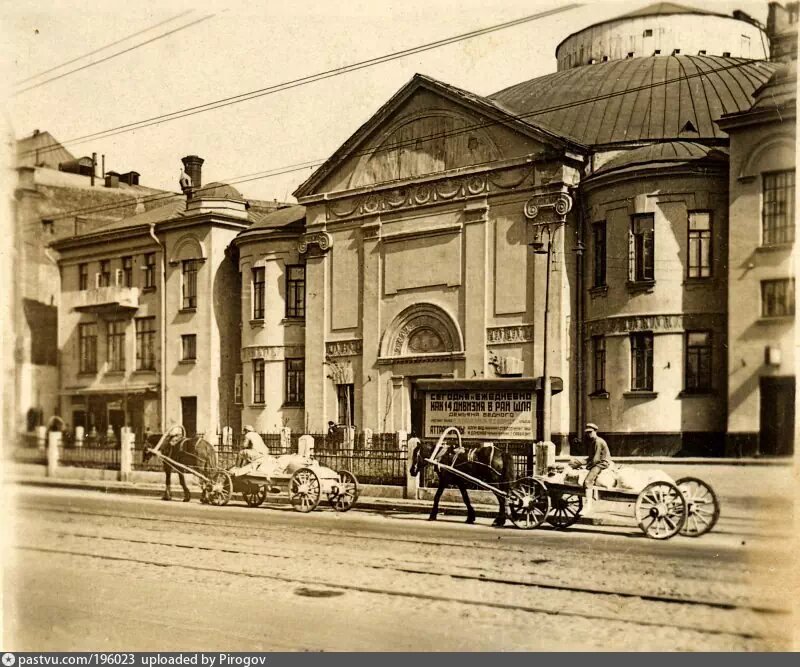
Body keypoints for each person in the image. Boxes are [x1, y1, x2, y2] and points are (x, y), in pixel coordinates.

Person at [582, 423, 612, 511]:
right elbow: (591, 457)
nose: (589, 434)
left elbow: (596, 459)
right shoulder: (593, 441)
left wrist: (588, 466)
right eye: (587, 433)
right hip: (598, 462)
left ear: (595, 431)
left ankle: (588, 505)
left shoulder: (598, 442)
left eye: (590, 432)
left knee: (587, 481)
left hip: (602, 463)